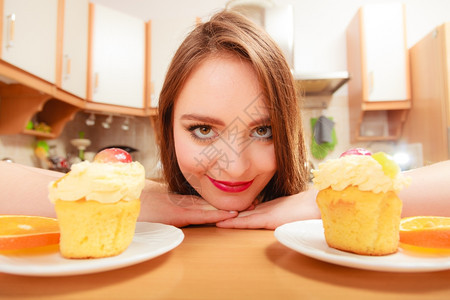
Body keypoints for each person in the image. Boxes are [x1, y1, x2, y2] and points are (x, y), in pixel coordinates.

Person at [1, 10, 449, 229]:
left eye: (263, 130)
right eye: (202, 129)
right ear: (168, 126)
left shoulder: (320, 213)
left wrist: (325, 203)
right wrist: (125, 200)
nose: (234, 168)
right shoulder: (143, 209)